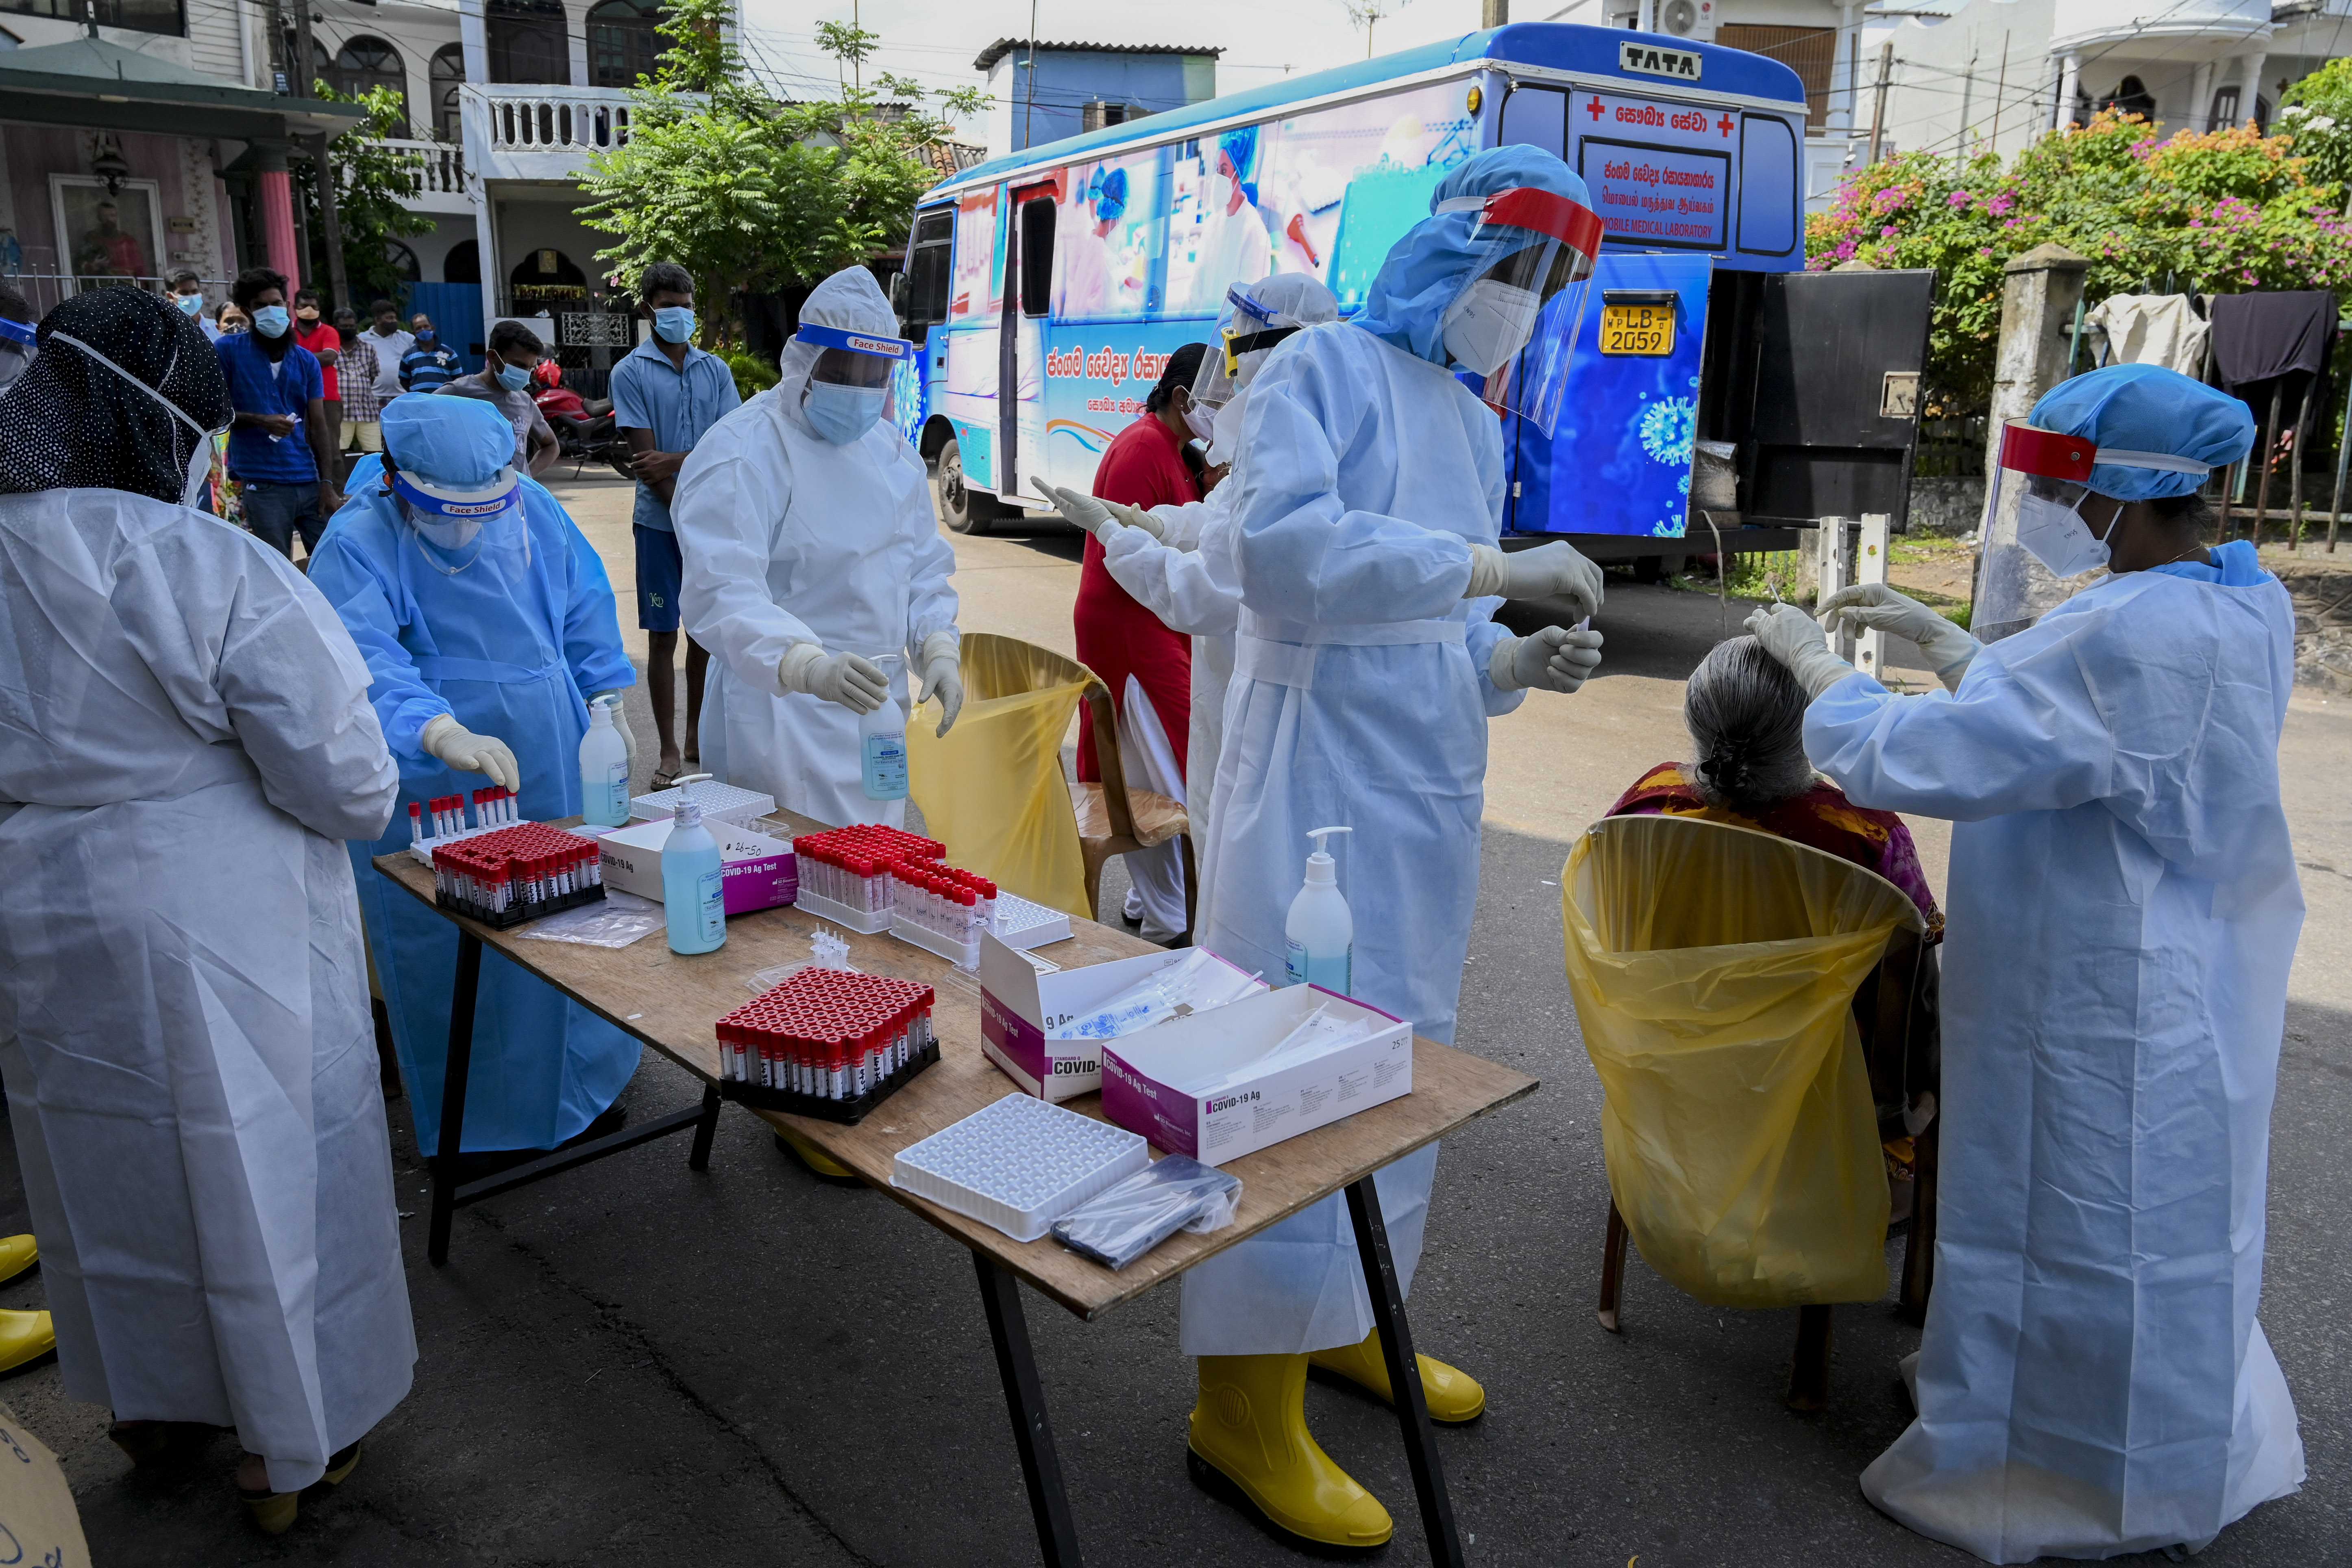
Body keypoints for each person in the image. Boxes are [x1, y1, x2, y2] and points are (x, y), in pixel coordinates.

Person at [1744, 362, 2302, 1562]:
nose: (2050, 507)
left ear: (2120, 489)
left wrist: (1820, 671)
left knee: (2075, 1223)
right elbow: (2070, 732)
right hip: (2181, 973)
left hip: (2095, 989)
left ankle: (2054, 1469)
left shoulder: (2128, 630)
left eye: (2063, 482)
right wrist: (1960, 650)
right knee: (2150, 1230)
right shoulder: (2240, 600)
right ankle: (2083, 1423)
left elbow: (1931, 756)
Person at [1179, 144, 1609, 1550]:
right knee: (1289, 1069)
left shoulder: (1472, 423)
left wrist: (1512, 657)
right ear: (1448, 255)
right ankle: (1240, 1397)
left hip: (1422, 780)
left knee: (1399, 1055)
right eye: (1514, 271)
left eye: (1548, 285)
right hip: (1308, 773)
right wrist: (1489, 575)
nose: (1523, 304)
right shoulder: (1318, 371)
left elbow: (1436, 631)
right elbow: (1285, 559)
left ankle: (1349, 1315)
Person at [0, 287, 413, 1533]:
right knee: (261, 1171)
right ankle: (287, 1446)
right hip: (217, 918)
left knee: (99, 1161)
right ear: (165, 419)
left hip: (44, 904)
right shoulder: (195, 560)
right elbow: (348, 780)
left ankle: (144, 1403)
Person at [308, 394, 643, 1162]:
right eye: (443, 507)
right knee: (456, 943)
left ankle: (582, 1091)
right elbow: (362, 653)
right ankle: (479, 1120)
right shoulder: (359, 536)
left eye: (484, 505)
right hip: (435, 770)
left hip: (551, 745)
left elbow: (584, 604)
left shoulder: (531, 510)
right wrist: (434, 727)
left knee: (568, 918)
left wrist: (604, 695)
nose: (468, 522)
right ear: (396, 481)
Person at [1605, 632, 1943, 1215]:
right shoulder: (1864, 834)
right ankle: (1884, 1169)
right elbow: (1912, 978)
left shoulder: (1647, 804)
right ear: (1811, 726)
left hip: (1675, 1050)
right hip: (1821, 1073)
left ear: (1696, 715)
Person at [1040, 276, 1341, 923]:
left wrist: (1119, 535)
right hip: (1201, 648)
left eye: (1236, 353)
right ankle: (1178, 913)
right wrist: (1146, 525)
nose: (1226, 374)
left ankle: (1181, 916)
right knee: (1179, 782)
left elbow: (1206, 585)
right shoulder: (1273, 435)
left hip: (1244, 660)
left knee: (1211, 813)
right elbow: (1215, 522)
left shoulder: (1285, 440)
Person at [672, 264, 961, 831]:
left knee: (875, 869)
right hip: (779, 709)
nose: (859, 386)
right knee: (787, 885)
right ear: (804, 361)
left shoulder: (891, 453)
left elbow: (921, 567)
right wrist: (804, 664)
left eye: (874, 371)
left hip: (875, 706)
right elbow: (720, 590)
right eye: (843, 369)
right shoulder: (745, 450)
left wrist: (939, 647)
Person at [1065, 342, 1210, 943]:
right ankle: (1169, 913)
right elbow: (1125, 557)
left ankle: (1155, 905)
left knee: (1160, 765)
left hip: (1157, 620)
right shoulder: (1140, 449)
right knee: (1163, 772)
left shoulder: (1176, 448)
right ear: (1182, 398)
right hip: (1129, 626)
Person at [610, 262, 741, 785]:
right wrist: (676, 473)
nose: (680, 314)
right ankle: (667, 748)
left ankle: (697, 738)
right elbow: (646, 464)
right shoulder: (630, 373)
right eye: (669, 306)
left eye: (686, 306)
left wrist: (677, 459)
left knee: (705, 636)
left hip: (710, 524)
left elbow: (731, 450)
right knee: (663, 637)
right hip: (661, 526)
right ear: (648, 310)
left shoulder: (716, 371)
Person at [215, 266, 342, 560]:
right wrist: (259, 420)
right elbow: (216, 413)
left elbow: (318, 426)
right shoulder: (227, 351)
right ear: (248, 311)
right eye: (261, 306)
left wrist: (327, 484)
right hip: (263, 482)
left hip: (308, 479)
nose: (270, 311)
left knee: (332, 560)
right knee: (278, 568)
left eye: (275, 304)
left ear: (286, 307)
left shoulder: (306, 361)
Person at [437, 318, 558, 478]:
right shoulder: (459, 392)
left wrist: (526, 477)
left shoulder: (525, 401)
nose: (525, 373)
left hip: (514, 499)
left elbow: (551, 445)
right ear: (493, 357)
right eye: (519, 366)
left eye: (531, 368)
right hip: (474, 499)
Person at [1188, 128, 1273, 309]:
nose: (1219, 178)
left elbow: (1248, 309)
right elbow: (1196, 289)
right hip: (1201, 332)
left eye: (1224, 171)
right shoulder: (1212, 224)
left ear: (1239, 174)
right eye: (1218, 169)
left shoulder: (1255, 234)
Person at [294, 287, 343, 453]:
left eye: (314, 307)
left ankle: (334, 481)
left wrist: (294, 357)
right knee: (298, 447)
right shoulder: (286, 332)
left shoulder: (329, 331)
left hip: (327, 397)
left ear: (319, 309)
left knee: (330, 449)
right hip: (293, 396)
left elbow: (329, 358)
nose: (309, 310)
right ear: (295, 307)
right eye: (304, 306)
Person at [338, 311, 385, 460]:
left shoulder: (368, 349)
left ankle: (374, 483)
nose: (348, 329)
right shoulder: (331, 349)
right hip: (340, 410)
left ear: (356, 327)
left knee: (375, 454)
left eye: (351, 326)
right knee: (338, 454)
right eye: (344, 326)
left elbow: (373, 377)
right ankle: (340, 484)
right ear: (336, 327)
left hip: (367, 409)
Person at [361, 299, 412, 405]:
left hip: (403, 396)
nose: (394, 321)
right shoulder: (362, 339)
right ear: (378, 320)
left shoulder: (407, 338)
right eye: (389, 318)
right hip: (374, 396)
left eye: (395, 318)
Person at [399, 314, 460, 394]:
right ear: (414, 333)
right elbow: (404, 381)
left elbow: (459, 379)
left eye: (426, 326)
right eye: (419, 328)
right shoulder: (408, 355)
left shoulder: (449, 353)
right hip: (420, 401)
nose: (423, 330)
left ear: (433, 329)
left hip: (443, 400)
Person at [167, 268, 217, 341]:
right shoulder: (166, 332)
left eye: (195, 292)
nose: (191, 296)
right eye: (184, 293)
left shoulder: (216, 328)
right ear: (171, 297)